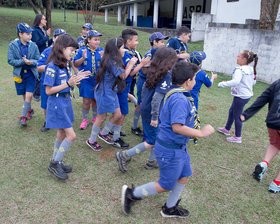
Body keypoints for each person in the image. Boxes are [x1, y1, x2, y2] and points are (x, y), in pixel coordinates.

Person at [121, 60, 215, 218]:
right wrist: (200, 133)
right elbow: (177, 127)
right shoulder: (179, 99)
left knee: (184, 175)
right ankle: (132, 194)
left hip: (179, 147)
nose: (195, 81)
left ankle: (169, 208)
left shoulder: (179, 93)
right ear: (188, 81)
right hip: (170, 149)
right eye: (194, 78)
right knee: (166, 184)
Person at [115, 47, 177, 172]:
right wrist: (154, 117)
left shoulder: (153, 71)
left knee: (157, 137)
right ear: (168, 61)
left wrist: (142, 103)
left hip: (146, 108)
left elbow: (144, 88)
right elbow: (156, 99)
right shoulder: (166, 76)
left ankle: (151, 161)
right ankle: (124, 155)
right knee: (152, 140)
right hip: (152, 112)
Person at [44, 34, 90, 180]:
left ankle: (56, 160)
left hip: (65, 102)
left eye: (74, 51)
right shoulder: (52, 66)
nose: (73, 53)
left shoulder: (64, 64)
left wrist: (75, 80)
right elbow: (48, 90)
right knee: (71, 135)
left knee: (61, 134)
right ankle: (55, 163)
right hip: (57, 104)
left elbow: (66, 83)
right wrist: (68, 84)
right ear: (62, 48)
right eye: (71, 50)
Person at [101, 29, 150, 148]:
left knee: (122, 112)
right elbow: (130, 73)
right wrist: (141, 64)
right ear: (128, 41)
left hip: (123, 86)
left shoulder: (130, 52)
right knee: (122, 113)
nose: (137, 43)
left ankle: (114, 132)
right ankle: (115, 137)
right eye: (136, 40)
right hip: (122, 86)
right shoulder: (126, 54)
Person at [86, 37, 137, 151]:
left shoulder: (112, 58)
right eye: (122, 47)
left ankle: (104, 133)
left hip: (111, 91)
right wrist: (130, 65)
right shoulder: (112, 61)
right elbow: (123, 76)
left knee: (118, 114)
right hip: (104, 92)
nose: (124, 50)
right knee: (101, 117)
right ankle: (92, 140)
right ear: (116, 49)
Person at [240, 79, 280, 193]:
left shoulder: (277, 83)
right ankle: (276, 183)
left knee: (274, 143)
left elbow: (263, 98)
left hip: (273, 122)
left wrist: (246, 114)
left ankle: (264, 163)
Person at [132, 32, 169, 138]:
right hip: (146, 81)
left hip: (152, 82)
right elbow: (144, 71)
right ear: (154, 42)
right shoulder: (150, 54)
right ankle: (135, 127)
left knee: (150, 104)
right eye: (161, 42)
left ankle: (148, 130)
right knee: (142, 104)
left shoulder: (160, 53)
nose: (164, 44)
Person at [217, 50, 258, 143]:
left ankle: (237, 137)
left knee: (237, 116)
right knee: (232, 111)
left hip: (241, 96)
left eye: (239, 56)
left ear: (244, 59)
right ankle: (227, 129)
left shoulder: (240, 70)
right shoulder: (251, 69)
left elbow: (235, 81)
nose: (237, 57)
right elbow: (254, 81)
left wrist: (222, 84)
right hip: (245, 95)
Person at [7, 23, 40, 127]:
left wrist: (31, 62)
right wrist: (23, 62)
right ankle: (29, 110)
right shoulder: (12, 45)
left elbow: (38, 59)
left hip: (31, 74)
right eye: (27, 34)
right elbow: (10, 60)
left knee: (29, 95)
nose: (30, 36)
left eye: (30, 34)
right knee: (24, 95)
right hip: (19, 75)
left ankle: (23, 117)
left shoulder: (33, 45)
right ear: (20, 34)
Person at [37, 29, 67, 132]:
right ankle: (47, 122)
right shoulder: (47, 51)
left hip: (61, 83)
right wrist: (51, 68)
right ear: (54, 38)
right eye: (58, 37)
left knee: (61, 101)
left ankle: (60, 119)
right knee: (46, 103)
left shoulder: (66, 52)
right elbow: (38, 67)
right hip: (47, 81)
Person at [74, 30, 103, 130]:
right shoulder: (82, 50)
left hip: (97, 80)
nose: (97, 42)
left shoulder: (101, 51)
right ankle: (85, 119)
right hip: (86, 80)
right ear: (89, 40)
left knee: (95, 99)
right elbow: (75, 64)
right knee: (86, 101)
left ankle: (95, 118)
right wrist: (82, 58)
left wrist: (104, 59)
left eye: (98, 40)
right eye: (95, 39)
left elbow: (106, 65)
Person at [31, 14, 53, 102]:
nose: (46, 21)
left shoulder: (43, 30)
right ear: (40, 20)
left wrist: (52, 40)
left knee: (45, 73)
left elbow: (46, 43)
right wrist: (47, 36)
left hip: (46, 55)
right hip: (39, 55)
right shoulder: (35, 31)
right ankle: (36, 94)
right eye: (44, 19)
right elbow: (37, 43)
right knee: (39, 74)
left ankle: (41, 91)